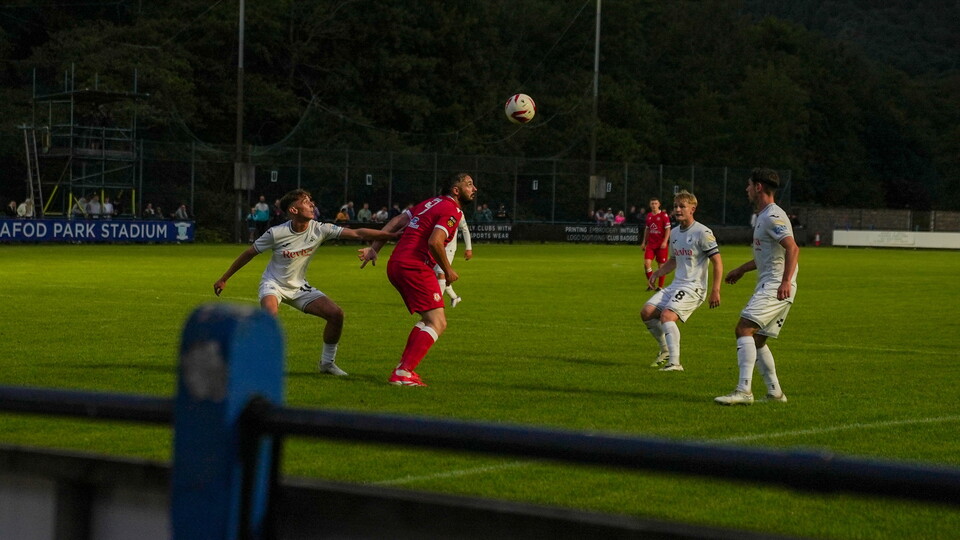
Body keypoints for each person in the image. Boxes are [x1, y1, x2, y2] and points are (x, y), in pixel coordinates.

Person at [214, 189, 400, 377]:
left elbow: (357, 232)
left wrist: (392, 236)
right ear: (294, 210)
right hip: (273, 284)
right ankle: (257, 362)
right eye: (306, 202)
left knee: (336, 315)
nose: (312, 205)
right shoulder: (276, 233)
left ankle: (327, 364)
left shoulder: (320, 229)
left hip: (299, 287)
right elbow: (249, 253)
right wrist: (224, 278)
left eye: (311, 201)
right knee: (270, 317)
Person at [358, 173, 478, 386]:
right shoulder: (452, 210)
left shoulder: (429, 203)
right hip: (413, 265)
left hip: (397, 263)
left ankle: (404, 369)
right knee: (438, 322)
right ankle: (403, 372)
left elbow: (396, 222)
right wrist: (448, 271)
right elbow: (435, 242)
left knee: (429, 320)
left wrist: (374, 249)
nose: (474, 188)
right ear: (456, 190)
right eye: (469, 184)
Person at [715, 168, 798, 406]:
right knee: (759, 340)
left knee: (743, 329)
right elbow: (769, 255)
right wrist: (741, 269)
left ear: (759, 187)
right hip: (774, 283)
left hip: (776, 285)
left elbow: (793, 248)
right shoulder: (764, 215)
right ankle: (775, 392)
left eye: (749, 185)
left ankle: (743, 391)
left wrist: (784, 282)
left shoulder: (772, 216)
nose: (747, 189)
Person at [641, 191, 722, 372]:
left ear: (692, 209)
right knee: (646, 312)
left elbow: (717, 263)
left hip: (694, 287)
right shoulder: (676, 233)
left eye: (682, 206)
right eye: (676, 206)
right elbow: (674, 260)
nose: (677, 209)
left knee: (667, 316)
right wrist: (657, 273)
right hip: (677, 285)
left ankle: (675, 363)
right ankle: (665, 351)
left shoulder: (703, 232)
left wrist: (715, 290)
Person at [436, 217, 473, 308]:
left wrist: (468, 248)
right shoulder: (437, 208)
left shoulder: (457, 212)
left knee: (441, 274)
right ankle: (455, 297)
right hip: (436, 246)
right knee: (436, 275)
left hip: (449, 248)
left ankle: (437, 303)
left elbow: (465, 229)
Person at [640, 197, 671, 291]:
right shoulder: (649, 215)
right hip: (651, 244)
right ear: (650, 205)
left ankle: (660, 287)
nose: (654, 205)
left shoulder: (664, 215)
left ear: (659, 204)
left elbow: (668, 229)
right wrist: (644, 242)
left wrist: (665, 241)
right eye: (652, 203)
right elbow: (647, 229)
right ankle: (651, 284)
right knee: (646, 264)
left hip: (661, 244)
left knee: (661, 266)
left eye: (655, 203)